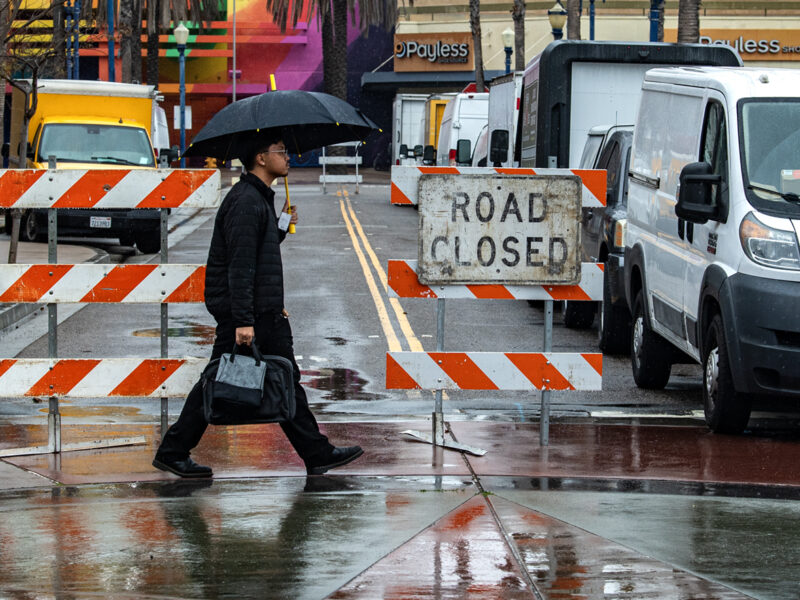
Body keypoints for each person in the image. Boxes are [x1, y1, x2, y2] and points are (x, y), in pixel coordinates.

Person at [152, 133, 363, 478]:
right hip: (252, 313)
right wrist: (243, 320)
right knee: (228, 380)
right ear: (261, 159)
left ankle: (315, 452)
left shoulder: (257, 198)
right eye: (281, 151)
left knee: (281, 379)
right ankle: (175, 450)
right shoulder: (247, 201)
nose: (288, 156)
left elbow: (258, 248)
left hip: (260, 310)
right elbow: (241, 265)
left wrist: (280, 223)